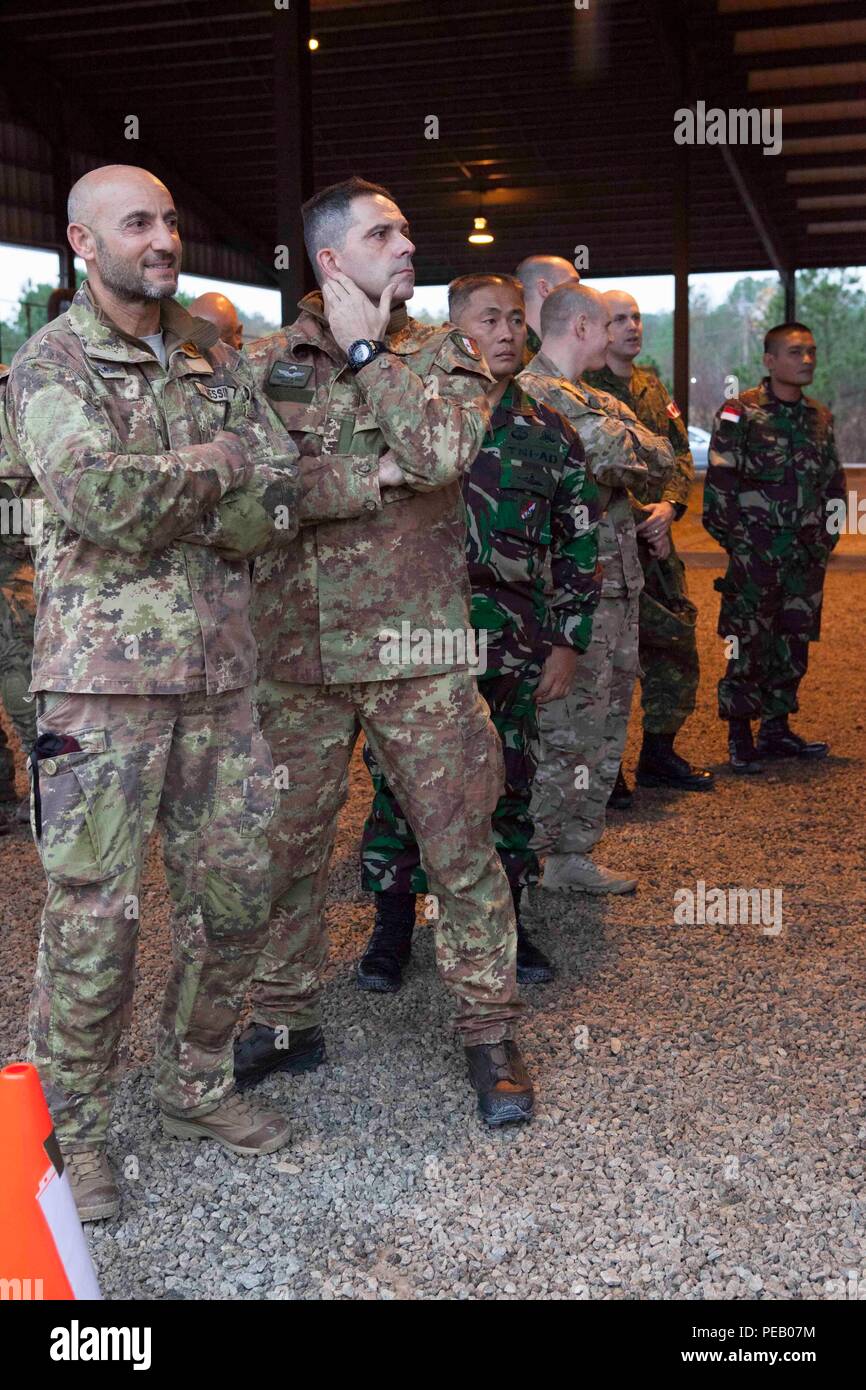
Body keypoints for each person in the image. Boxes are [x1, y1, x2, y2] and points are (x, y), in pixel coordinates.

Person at [0, 164, 300, 1221]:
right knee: (96, 921)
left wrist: (207, 474)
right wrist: (217, 468)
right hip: (103, 693)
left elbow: (278, 501)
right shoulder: (50, 361)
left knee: (234, 902)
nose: (164, 237)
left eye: (171, 218)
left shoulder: (215, 358)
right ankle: (74, 1138)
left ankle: (194, 1086)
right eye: (139, 223)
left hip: (221, 683)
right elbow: (100, 499)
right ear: (84, 243)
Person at [238, 178, 534, 1126]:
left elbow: (441, 454)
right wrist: (370, 478)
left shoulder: (446, 355)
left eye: (405, 227)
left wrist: (367, 349)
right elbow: (249, 498)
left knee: (460, 847)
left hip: (421, 655)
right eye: (383, 232)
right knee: (285, 852)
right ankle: (286, 1019)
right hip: (299, 658)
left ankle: (490, 1033)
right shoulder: (263, 365)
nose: (407, 243)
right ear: (332, 261)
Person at [359, 272, 600, 983]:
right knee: (400, 783)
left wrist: (568, 641)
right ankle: (393, 925)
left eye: (515, 320)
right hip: (416, 644)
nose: (505, 332)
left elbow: (578, 542)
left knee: (510, 781)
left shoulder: (547, 430)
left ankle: (509, 927)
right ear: (451, 331)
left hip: (512, 644)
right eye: (487, 319)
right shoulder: (413, 418)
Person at [518, 282, 675, 893]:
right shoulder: (535, 393)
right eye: (608, 324)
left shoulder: (588, 397)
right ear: (584, 327)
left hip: (618, 582)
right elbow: (622, 453)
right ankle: (530, 854)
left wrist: (623, 443)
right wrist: (624, 441)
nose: (617, 335)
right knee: (562, 728)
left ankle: (572, 853)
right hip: (570, 592)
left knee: (607, 723)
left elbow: (660, 457)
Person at [585, 290, 713, 797]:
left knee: (675, 645)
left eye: (636, 317)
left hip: (657, 550)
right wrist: (640, 515)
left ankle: (659, 754)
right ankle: (602, 771)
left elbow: (680, 457)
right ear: (597, 328)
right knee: (605, 659)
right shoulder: (578, 388)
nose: (633, 326)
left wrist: (669, 510)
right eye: (620, 319)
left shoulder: (653, 389)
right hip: (604, 548)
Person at [703, 322, 845, 773]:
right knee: (746, 640)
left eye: (811, 352)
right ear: (769, 360)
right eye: (795, 352)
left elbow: (834, 485)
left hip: (805, 556)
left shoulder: (820, 417)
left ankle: (777, 728)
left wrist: (825, 539)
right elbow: (720, 485)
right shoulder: (739, 412)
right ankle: (741, 734)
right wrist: (742, 544)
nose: (806, 360)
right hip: (754, 555)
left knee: (794, 639)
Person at [0, 364, 36, 829]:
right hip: (16, 552)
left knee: (19, 665)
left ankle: (46, 786)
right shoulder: (15, 383)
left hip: (14, 554)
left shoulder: (14, 384)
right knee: (18, 664)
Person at [515, 254, 580, 358]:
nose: (581, 294)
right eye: (573, 285)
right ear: (544, 288)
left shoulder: (552, 349)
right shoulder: (514, 350)